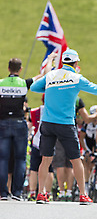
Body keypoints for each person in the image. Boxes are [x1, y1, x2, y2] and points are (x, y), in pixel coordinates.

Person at [30, 48, 97, 205]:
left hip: (47, 122)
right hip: (65, 124)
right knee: (75, 160)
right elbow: (96, 89)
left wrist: (48, 85)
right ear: (75, 62)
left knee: (45, 160)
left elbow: (33, 88)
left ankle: (41, 194)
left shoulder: (51, 75)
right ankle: (82, 194)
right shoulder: (76, 77)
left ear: (63, 61)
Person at [0, 53, 55, 200]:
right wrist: (49, 60)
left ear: (8, 68)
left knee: (3, 159)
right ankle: (17, 193)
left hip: (3, 123)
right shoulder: (24, 83)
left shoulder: (1, 83)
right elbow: (43, 76)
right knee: (20, 159)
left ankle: (3, 193)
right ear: (20, 69)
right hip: (19, 123)